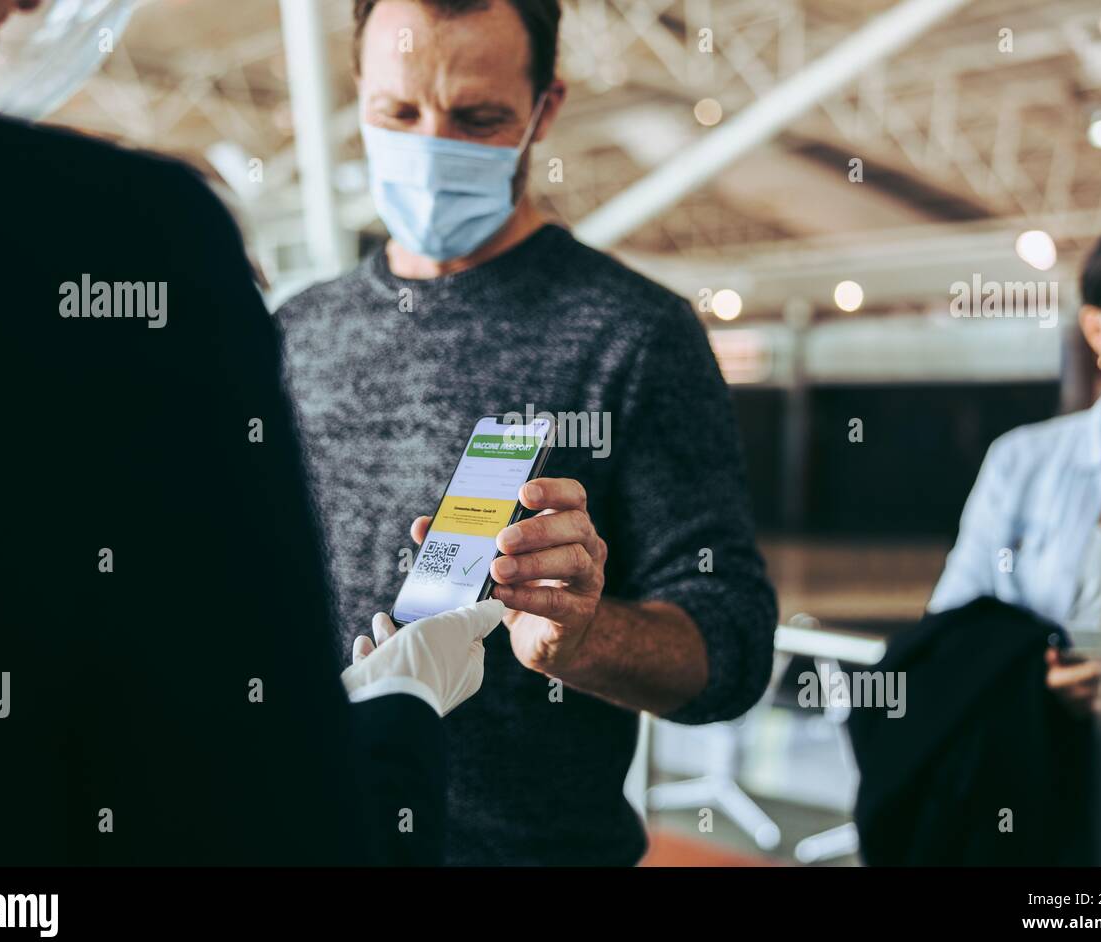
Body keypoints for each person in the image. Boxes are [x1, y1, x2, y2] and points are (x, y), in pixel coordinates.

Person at [0, 0, 499, 865]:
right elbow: (264, 827)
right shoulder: (120, 236)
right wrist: (399, 713)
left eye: (478, 116)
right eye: (398, 112)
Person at [277, 0, 778, 866]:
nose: (431, 146)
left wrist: (581, 637)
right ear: (358, 90)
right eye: (399, 112)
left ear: (544, 110)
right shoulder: (293, 332)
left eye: (476, 119)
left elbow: (729, 645)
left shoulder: (633, 334)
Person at [930, 225, 1101, 720]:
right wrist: (1033, 678)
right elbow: (949, 634)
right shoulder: (1022, 464)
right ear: (1100, 330)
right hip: (1041, 779)